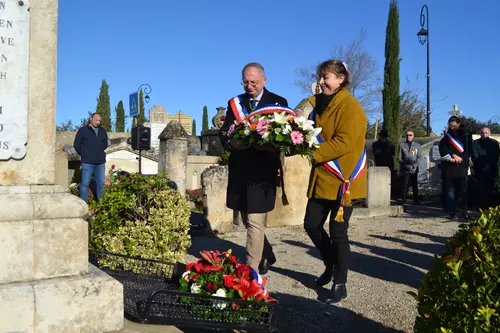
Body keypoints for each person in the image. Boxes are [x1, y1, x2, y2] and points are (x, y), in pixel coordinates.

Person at [300, 60, 367, 304]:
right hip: (322, 179)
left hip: (342, 180)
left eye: (326, 77)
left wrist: (312, 151)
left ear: (341, 79)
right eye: (320, 77)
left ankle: (340, 282)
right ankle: (330, 264)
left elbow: (344, 142)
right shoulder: (318, 104)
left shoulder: (351, 107)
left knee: (338, 233)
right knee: (311, 224)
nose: (321, 82)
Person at [219, 62, 288, 275]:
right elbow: (224, 133)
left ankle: (250, 272)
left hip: (262, 172)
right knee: (247, 219)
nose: (249, 86)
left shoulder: (278, 102)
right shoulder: (235, 104)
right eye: (246, 82)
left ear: (264, 80)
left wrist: (267, 144)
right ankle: (266, 252)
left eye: (254, 82)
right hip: (240, 170)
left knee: (256, 221)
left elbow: (286, 136)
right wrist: (232, 144)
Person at [439, 116, 472, 219]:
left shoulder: (466, 136)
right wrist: (453, 155)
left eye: (454, 126)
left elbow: (469, 150)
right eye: (450, 126)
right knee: (450, 192)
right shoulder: (446, 137)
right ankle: (452, 212)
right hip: (450, 168)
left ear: (458, 124)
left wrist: (461, 158)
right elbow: (443, 149)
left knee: (463, 191)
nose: (452, 128)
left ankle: (464, 211)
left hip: (462, 167)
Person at [73, 113, 109, 202]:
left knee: (100, 184)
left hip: (100, 162)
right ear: (91, 119)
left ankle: (101, 206)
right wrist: (85, 154)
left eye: (99, 120)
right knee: (85, 184)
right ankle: (83, 206)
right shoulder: (82, 130)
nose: (98, 122)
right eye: (96, 120)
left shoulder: (102, 131)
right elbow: (76, 145)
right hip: (87, 162)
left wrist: (98, 152)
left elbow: (105, 144)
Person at [472, 127, 500, 210]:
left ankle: (490, 206)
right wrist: (480, 165)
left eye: (486, 133)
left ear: (489, 133)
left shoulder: (494, 143)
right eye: (482, 133)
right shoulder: (475, 143)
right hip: (479, 169)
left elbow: (496, 155)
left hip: (491, 168)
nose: (484, 134)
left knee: (490, 188)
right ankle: (481, 206)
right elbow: (474, 156)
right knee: (481, 188)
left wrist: (489, 165)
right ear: (480, 134)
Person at [398, 131, 421, 204]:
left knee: (414, 184)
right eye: (407, 135)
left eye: (410, 135)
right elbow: (399, 157)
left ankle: (416, 200)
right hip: (405, 168)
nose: (408, 136)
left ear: (413, 136)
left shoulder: (417, 146)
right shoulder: (402, 145)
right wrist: (405, 165)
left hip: (414, 168)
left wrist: (414, 166)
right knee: (405, 184)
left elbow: (419, 157)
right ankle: (403, 199)